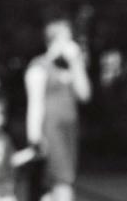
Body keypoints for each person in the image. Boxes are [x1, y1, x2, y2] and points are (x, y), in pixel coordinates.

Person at [26, 17, 91, 201]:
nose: (72, 43)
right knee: (63, 182)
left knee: (55, 185)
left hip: (69, 132)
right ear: (54, 40)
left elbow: (84, 94)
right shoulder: (39, 66)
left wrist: (76, 63)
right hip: (51, 131)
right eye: (67, 38)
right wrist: (34, 137)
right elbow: (35, 103)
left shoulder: (70, 68)